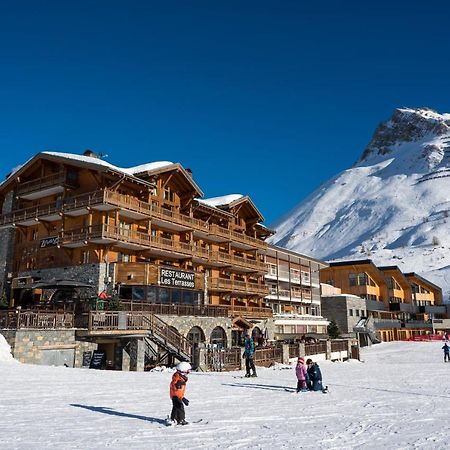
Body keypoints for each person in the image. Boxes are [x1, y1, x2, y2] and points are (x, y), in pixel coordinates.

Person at [169, 361, 192, 425]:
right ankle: (181, 420)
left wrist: (182, 397)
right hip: (176, 396)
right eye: (187, 371)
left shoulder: (180, 378)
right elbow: (176, 390)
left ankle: (173, 419)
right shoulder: (178, 380)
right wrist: (182, 398)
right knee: (180, 408)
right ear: (183, 371)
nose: (188, 373)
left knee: (176, 407)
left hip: (176, 396)